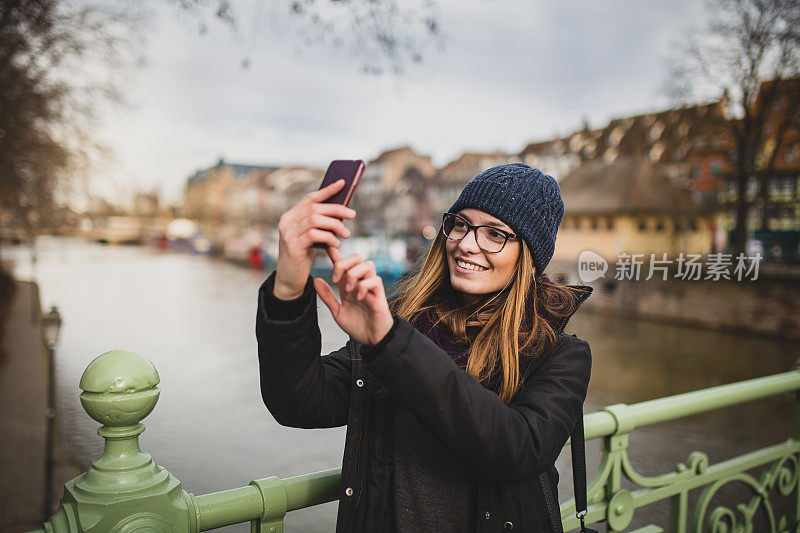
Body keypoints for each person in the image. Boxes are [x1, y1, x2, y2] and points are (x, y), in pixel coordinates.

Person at [256, 162, 593, 532]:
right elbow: (298, 401)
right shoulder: (401, 323)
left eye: (495, 234)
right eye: (461, 224)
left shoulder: (560, 355)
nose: (466, 243)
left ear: (528, 255)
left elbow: (514, 450)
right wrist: (288, 288)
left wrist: (391, 343)